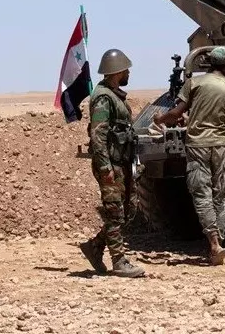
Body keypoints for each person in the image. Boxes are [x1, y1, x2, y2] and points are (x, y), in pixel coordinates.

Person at [153, 46, 225, 265]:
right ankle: (219, 242)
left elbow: (175, 113)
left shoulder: (195, 83)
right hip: (220, 145)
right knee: (220, 194)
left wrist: (160, 119)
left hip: (198, 145)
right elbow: (218, 118)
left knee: (202, 193)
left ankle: (213, 244)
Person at [78, 49, 144, 278]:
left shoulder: (114, 95)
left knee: (126, 211)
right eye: (126, 70)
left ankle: (95, 247)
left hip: (121, 162)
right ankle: (119, 261)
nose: (128, 73)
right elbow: (98, 134)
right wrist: (105, 167)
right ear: (117, 71)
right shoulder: (103, 97)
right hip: (110, 165)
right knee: (115, 212)